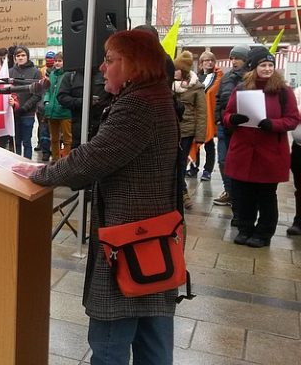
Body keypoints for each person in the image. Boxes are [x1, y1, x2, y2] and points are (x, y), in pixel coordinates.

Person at [13, 29, 179, 364]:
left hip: (128, 239)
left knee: (110, 341)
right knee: (153, 335)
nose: (102, 68)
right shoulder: (157, 95)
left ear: (133, 64)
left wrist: (41, 174)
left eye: (110, 60)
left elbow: (91, 159)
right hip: (153, 236)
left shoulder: (138, 104)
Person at [224, 47, 299, 248]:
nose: (267, 69)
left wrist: (273, 124)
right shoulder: (241, 88)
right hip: (244, 151)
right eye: (263, 65)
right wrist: (233, 119)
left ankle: (263, 233)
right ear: (253, 67)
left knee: (266, 195)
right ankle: (245, 228)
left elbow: (293, 119)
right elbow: (226, 115)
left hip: (269, 153)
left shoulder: (283, 91)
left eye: (270, 65)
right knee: (244, 194)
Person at [214, 44, 249, 207]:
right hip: (224, 126)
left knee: (238, 163)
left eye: (238, 58)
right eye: (232, 58)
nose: (234, 61)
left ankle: (238, 195)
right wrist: (218, 119)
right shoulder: (227, 77)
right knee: (222, 160)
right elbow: (218, 99)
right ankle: (229, 191)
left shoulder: (250, 78)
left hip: (241, 128)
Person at [172, 51, 206, 210]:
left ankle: (183, 193)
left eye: (177, 69)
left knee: (180, 163)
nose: (174, 71)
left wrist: (200, 137)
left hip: (186, 131)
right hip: (171, 130)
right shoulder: (169, 84)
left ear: (184, 71)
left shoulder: (196, 87)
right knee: (171, 163)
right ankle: (179, 191)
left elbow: (202, 111)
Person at [186, 51, 222, 181]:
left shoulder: (217, 78)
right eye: (206, 60)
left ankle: (207, 170)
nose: (209, 62)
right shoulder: (196, 79)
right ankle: (194, 168)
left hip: (209, 116)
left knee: (209, 144)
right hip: (196, 116)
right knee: (195, 142)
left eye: (211, 60)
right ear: (201, 64)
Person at [9, 46, 40, 159]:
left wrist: (25, 107)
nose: (20, 58)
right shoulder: (10, 72)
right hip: (13, 113)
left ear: (27, 56)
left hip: (28, 113)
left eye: (23, 55)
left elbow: (38, 94)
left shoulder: (35, 72)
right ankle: (15, 164)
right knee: (15, 142)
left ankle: (27, 165)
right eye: (18, 56)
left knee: (27, 142)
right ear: (14, 58)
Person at [42, 52, 72, 161]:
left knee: (67, 139)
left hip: (64, 111)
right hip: (52, 110)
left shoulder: (68, 74)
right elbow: (48, 91)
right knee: (54, 139)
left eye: (60, 61)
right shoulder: (52, 74)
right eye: (56, 61)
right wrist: (46, 102)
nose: (57, 63)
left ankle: (66, 161)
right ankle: (55, 160)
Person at [289, 84, 301, 236]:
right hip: (299, 146)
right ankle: (299, 220)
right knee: (299, 186)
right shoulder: (299, 91)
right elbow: (292, 112)